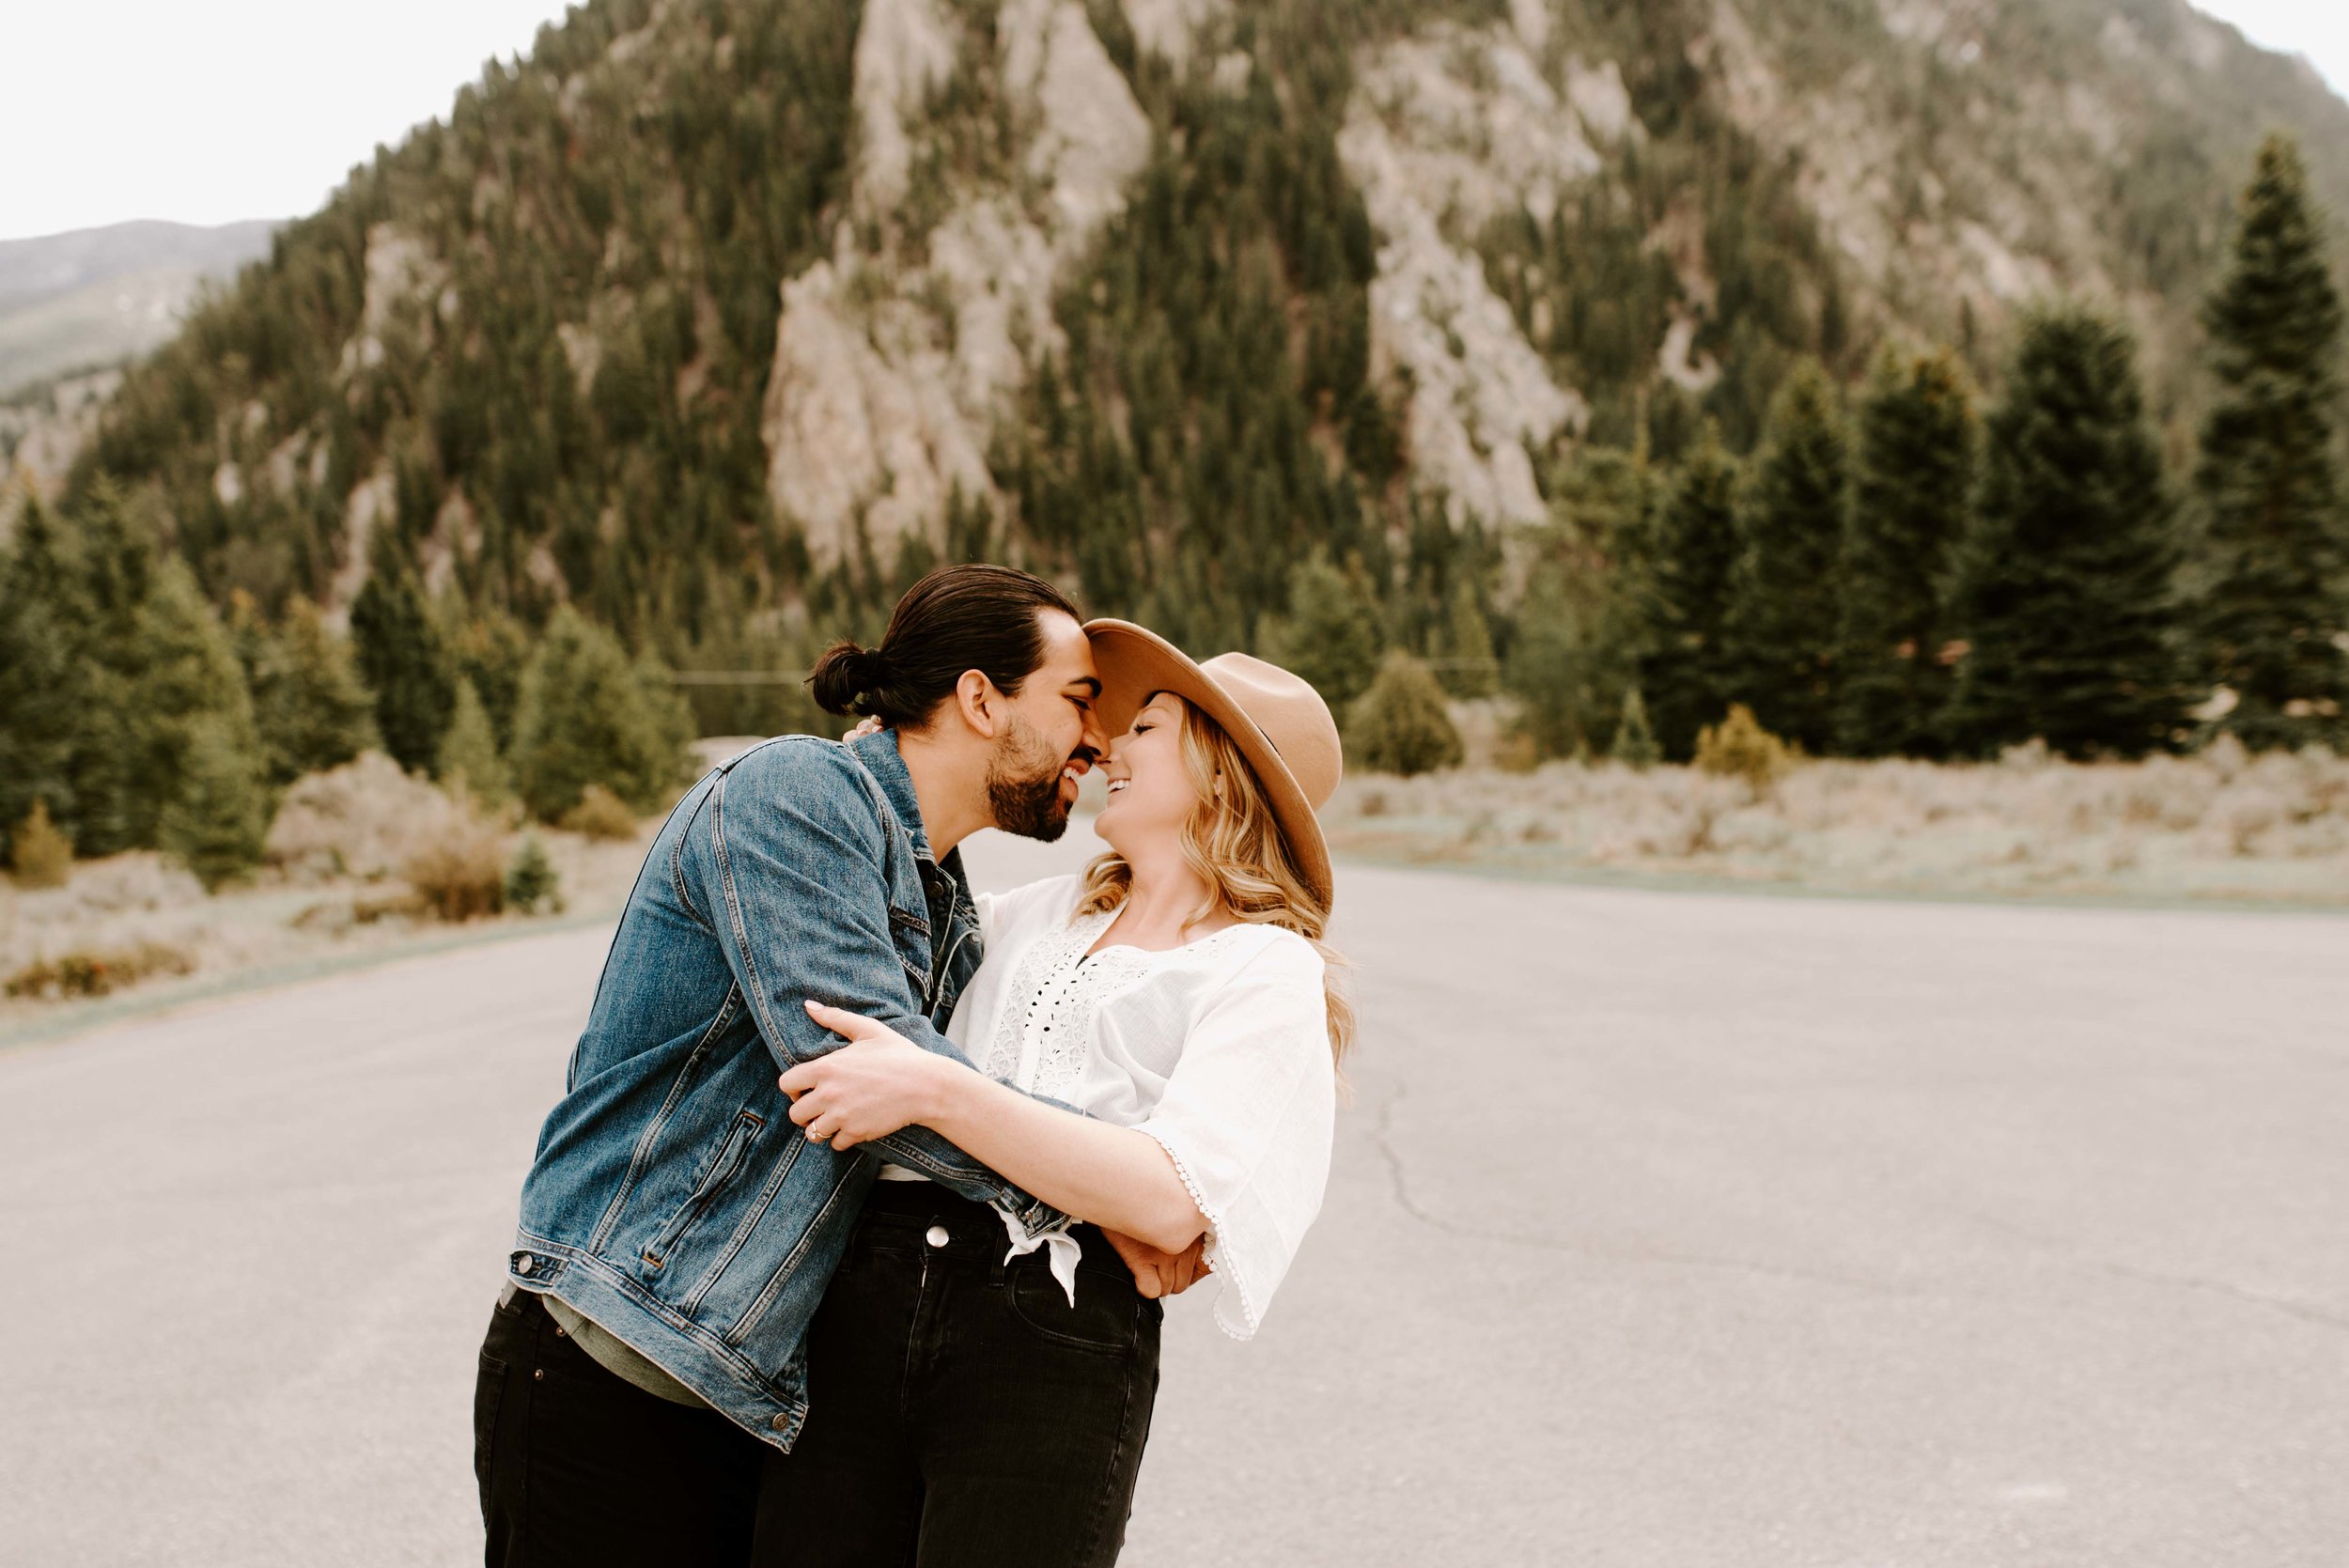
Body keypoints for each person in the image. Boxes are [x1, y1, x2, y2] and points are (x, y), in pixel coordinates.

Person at [474, 566, 1206, 1565]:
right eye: (1078, 700)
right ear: (981, 699)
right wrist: (1115, 1201)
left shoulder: (939, 900)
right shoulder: (796, 793)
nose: (1095, 738)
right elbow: (870, 1082)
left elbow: (938, 1090)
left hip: (743, 1397)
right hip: (616, 1364)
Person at [754, 622, 1351, 1568]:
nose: (1107, 748)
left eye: (1146, 729)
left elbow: (1169, 1196)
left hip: (1053, 1328)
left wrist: (936, 1091)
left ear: (1221, 767)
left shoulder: (1261, 965)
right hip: (861, 1295)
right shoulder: (1029, 915)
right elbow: (863, 911)